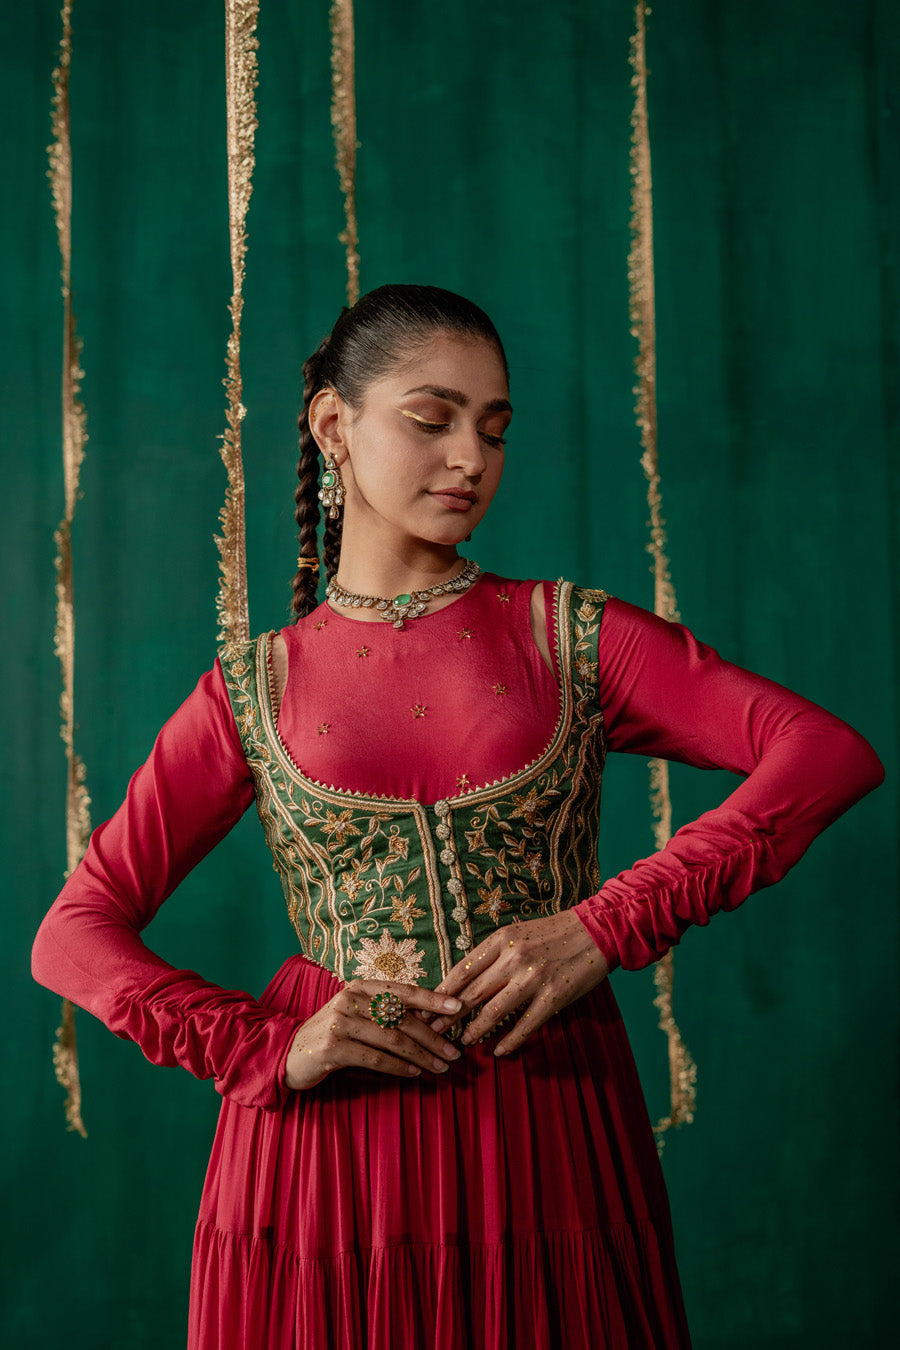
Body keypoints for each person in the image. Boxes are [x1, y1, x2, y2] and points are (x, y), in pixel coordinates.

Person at [32, 284, 884, 1349]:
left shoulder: (569, 636)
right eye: (432, 419)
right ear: (334, 425)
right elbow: (72, 934)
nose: (470, 458)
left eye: (494, 429)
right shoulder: (252, 690)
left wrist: (610, 923)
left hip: (545, 1115)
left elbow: (825, 753)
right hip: (328, 1153)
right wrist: (266, 1047)